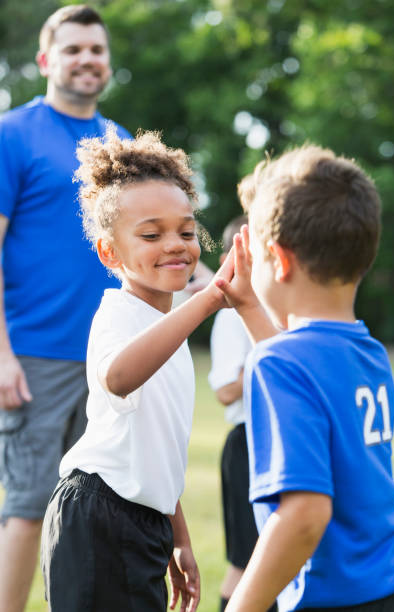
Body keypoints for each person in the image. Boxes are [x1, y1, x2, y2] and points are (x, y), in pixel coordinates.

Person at [40, 126, 237, 611]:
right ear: (110, 252)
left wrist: (178, 537)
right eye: (151, 234)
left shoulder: (166, 330)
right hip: (98, 517)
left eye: (187, 231)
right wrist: (209, 299)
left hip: (142, 521)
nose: (176, 244)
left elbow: (159, 451)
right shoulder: (118, 315)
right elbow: (118, 377)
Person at [214, 145, 394, 611]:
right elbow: (301, 368)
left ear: (278, 261)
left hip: (332, 597)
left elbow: (304, 515)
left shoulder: (278, 364)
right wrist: (247, 307)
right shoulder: (369, 352)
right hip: (390, 585)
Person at [0, 6, 132, 611]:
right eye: (74, 48)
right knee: (28, 511)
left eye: (97, 50)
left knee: (94, 515)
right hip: (33, 356)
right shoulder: (12, 134)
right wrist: (2, 356)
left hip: (112, 358)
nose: (87, 59)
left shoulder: (122, 145)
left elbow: (150, 246)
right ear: (46, 59)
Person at [209, 214, 277, 612]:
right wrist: (268, 353)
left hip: (282, 439)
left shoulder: (284, 308)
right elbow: (224, 390)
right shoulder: (229, 317)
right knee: (246, 559)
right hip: (248, 442)